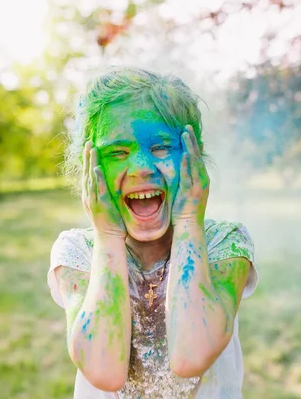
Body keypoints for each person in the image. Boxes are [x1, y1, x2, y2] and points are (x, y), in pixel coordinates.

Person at [47, 67, 258, 398]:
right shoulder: (79, 251)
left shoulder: (224, 244)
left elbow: (191, 357)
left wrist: (189, 218)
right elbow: (103, 371)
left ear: (194, 157)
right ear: (90, 167)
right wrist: (107, 238)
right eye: (117, 152)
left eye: (161, 147)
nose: (142, 166)